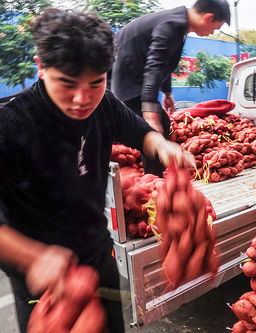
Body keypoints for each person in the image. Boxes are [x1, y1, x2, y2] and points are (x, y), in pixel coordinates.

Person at [0, 8, 193, 333]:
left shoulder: (104, 104)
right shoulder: (11, 124)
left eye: (96, 82)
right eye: (67, 83)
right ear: (41, 67)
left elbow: (141, 132)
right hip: (44, 279)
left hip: (97, 255)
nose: (81, 98)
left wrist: (163, 146)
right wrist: (32, 258)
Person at [111, 0, 230, 176]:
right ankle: (153, 182)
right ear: (208, 17)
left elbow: (165, 62)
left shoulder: (179, 23)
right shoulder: (172, 24)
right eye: (215, 28)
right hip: (128, 81)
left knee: (161, 125)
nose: (213, 32)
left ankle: (154, 178)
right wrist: (150, 110)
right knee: (151, 129)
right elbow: (154, 65)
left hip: (135, 79)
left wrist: (167, 92)